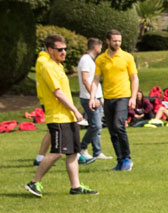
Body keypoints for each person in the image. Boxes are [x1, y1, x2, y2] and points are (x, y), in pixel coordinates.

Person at [24, 35, 96, 197]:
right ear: (50, 50)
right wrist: (77, 111)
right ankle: (34, 182)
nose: (64, 52)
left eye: (65, 49)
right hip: (58, 117)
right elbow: (57, 93)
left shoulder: (57, 65)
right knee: (57, 152)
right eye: (60, 49)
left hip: (67, 116)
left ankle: (75, 187)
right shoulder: (47, 66)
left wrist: (72, 113)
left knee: (73, 152)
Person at [96, 29, 138, 172]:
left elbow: (134, 78)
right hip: (108, 98)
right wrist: (92, 97)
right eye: (115, 41)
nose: (118, 43)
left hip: (123, 96)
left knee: (118, 125)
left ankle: (127, 158)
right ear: (107, 41)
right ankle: (119, 160)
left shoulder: (127, 57)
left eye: (119, 41)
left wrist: (132, 97)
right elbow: (96, 79)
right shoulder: (101, 59)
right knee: (112, 131)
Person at [76, 37, 105, 163]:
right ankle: (82, 148)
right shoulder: (86, 60)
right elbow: (85, 79)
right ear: (96, 46)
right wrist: (92, 97)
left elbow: (96, 81)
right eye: (100, 46)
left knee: (98, 126)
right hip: (89, 98)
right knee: (95, 125)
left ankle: (97, 152)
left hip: (96, 97)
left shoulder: (92, 60)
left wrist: (100, 96)